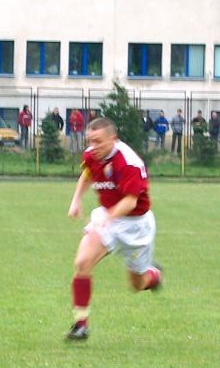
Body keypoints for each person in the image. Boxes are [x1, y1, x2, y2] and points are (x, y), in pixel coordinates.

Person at [65, 117, 162, 341]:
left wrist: (107, 217)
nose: (93, 146)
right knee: (82, 262)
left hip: (136, 227)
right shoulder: (91, 155)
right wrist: (76, 200)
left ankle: (154, 276)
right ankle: (81, 324)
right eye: (90, 141)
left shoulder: (128, 162)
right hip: (107, 218)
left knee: (136, 285)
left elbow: (130, 202)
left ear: (113, 139)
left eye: (98, 141)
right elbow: (87, 174)